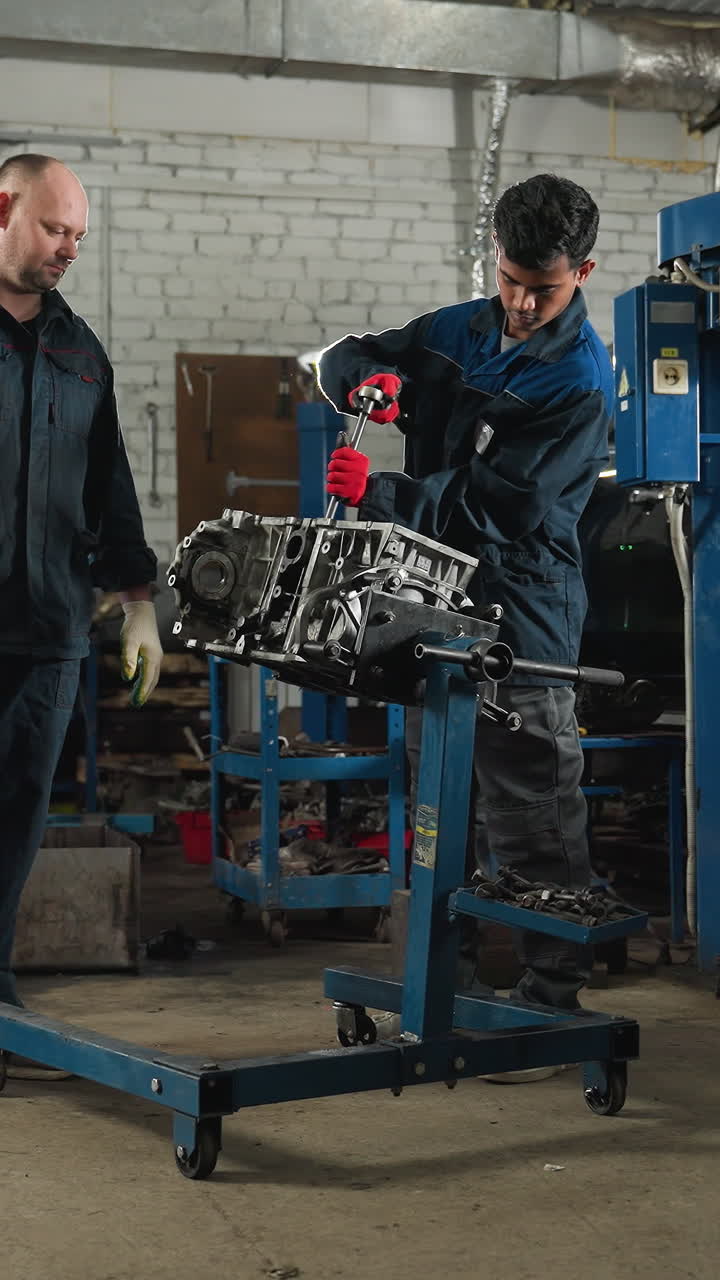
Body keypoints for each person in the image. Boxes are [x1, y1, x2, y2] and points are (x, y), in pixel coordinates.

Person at [318, 174, 613, 1038]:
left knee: (529, 803)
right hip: (432, 603)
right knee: (445, 798)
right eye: (511, 277)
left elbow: (502, 508)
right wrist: (372, 382)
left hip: (521, 611)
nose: (521, 302)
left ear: (583, 273)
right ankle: (450, 977)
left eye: (543, 288)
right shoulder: (457, 329)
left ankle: (552, 995)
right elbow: (346, 354)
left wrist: (381, 496)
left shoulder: (579, 382)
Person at [0, 154, 163, 1078]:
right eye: (56, 230)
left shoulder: (78, 349)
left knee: (19, 816)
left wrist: (138, 602)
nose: (68, 249)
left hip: (50, 628)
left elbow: (112, 486)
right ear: (5, 209)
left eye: (79, 238)